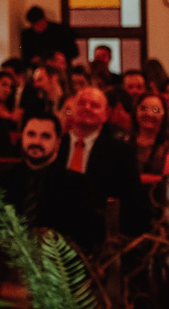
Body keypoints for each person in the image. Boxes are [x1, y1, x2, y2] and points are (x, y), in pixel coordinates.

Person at [0, 115, 101, 252]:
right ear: (22, 137)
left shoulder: (77, 185)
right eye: (31, 134)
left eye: (45, 136)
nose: (37, 141)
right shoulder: (3, 180)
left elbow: (83, 241)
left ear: (57, 143)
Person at [57, 87, 149, 236]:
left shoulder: (120, 152)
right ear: (72, 109)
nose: (87, 108)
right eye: (81, 103)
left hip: (97, 233)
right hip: (54, 229)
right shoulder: (56, 144)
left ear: (105, 115)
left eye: (94, 105)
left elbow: (132, 203)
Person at [132, 93, 169, 183]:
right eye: (143, 108)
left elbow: (168, 180)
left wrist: (131, 179)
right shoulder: (125, 140)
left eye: (155, 110)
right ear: (136, 112)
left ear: (164, 116)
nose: (149, 114)